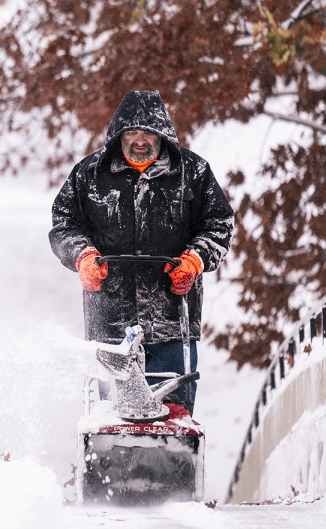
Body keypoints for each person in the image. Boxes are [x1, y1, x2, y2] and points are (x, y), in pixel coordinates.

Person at [48, 90, 234, 413]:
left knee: (173, 419)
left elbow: (219, 223)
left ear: (162, 133)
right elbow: (63, 222)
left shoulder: (193, 173)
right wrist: (82, 256)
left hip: (172, 323)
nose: (140, 140)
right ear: (119, 134)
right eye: (132, 132)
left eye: (148, 132)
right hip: (110, 327)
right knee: (110, 419)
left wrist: (195, 259)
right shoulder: (90, 175)